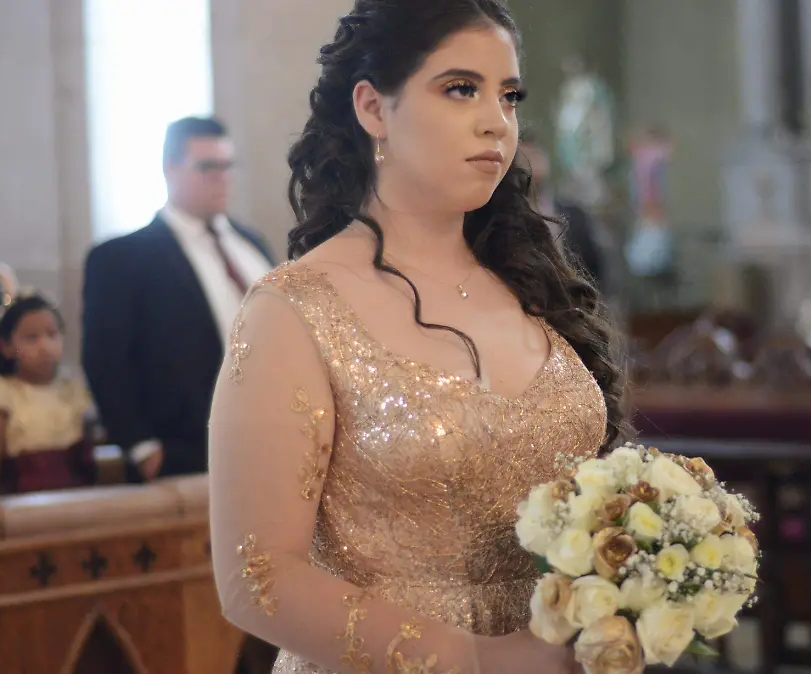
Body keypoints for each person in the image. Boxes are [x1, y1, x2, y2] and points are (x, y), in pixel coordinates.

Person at [207, 2, 625, 673]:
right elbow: (256, 578)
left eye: (509, 96)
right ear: (373, 108)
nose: (496, 121)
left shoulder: (530, 285)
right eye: (461, 89)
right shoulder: (294, 310)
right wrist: (477, 660)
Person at [82, 116, 274, 483]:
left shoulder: (251, 244)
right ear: (170, 168)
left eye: (228, 165)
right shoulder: (123, 258)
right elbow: (105, 359)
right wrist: (142, 448)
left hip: (275, 437)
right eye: (207, 166)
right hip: (187, 450)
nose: (222, 177)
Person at [0, 295, 95, 497]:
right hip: (19, 503)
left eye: (52, 335)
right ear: (6, 346)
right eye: (31, 338)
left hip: (74, 500)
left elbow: (85, 463)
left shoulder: (72, 390)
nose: (44, 347)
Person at [518, 131, 615, 295]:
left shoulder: (575, 214)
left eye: (535, 156)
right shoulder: (508, 218)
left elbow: (596, 265)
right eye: (524, 159)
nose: (531, 165)